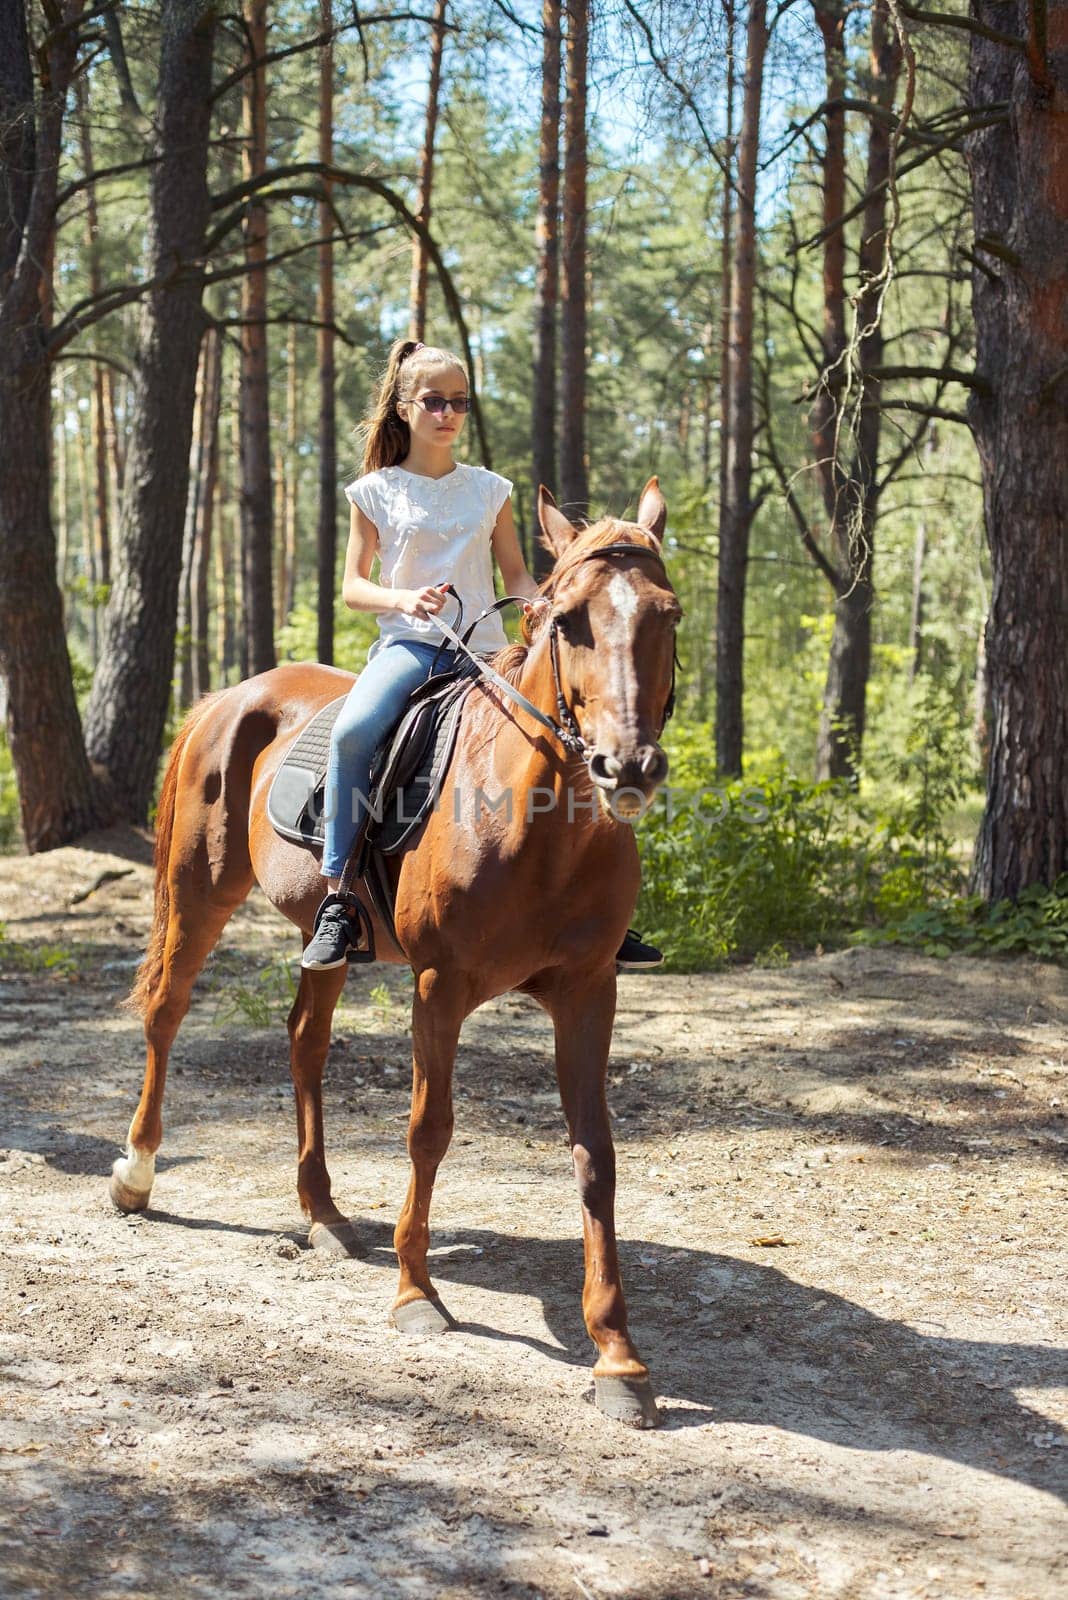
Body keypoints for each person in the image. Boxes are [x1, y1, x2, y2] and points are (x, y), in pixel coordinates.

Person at [301, 336, 663, 973]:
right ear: (403, 408)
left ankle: (605, 913)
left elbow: (517, 575)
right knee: (353, 734)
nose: (448, 414)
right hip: (410, 646)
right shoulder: (374, 492)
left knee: (576, 739)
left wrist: (539, 605)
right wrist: (404, 597)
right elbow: (353, 588)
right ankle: (339, 902)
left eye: (460, 403)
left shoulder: (490, 490)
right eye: (435, 401)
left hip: (488, 654)